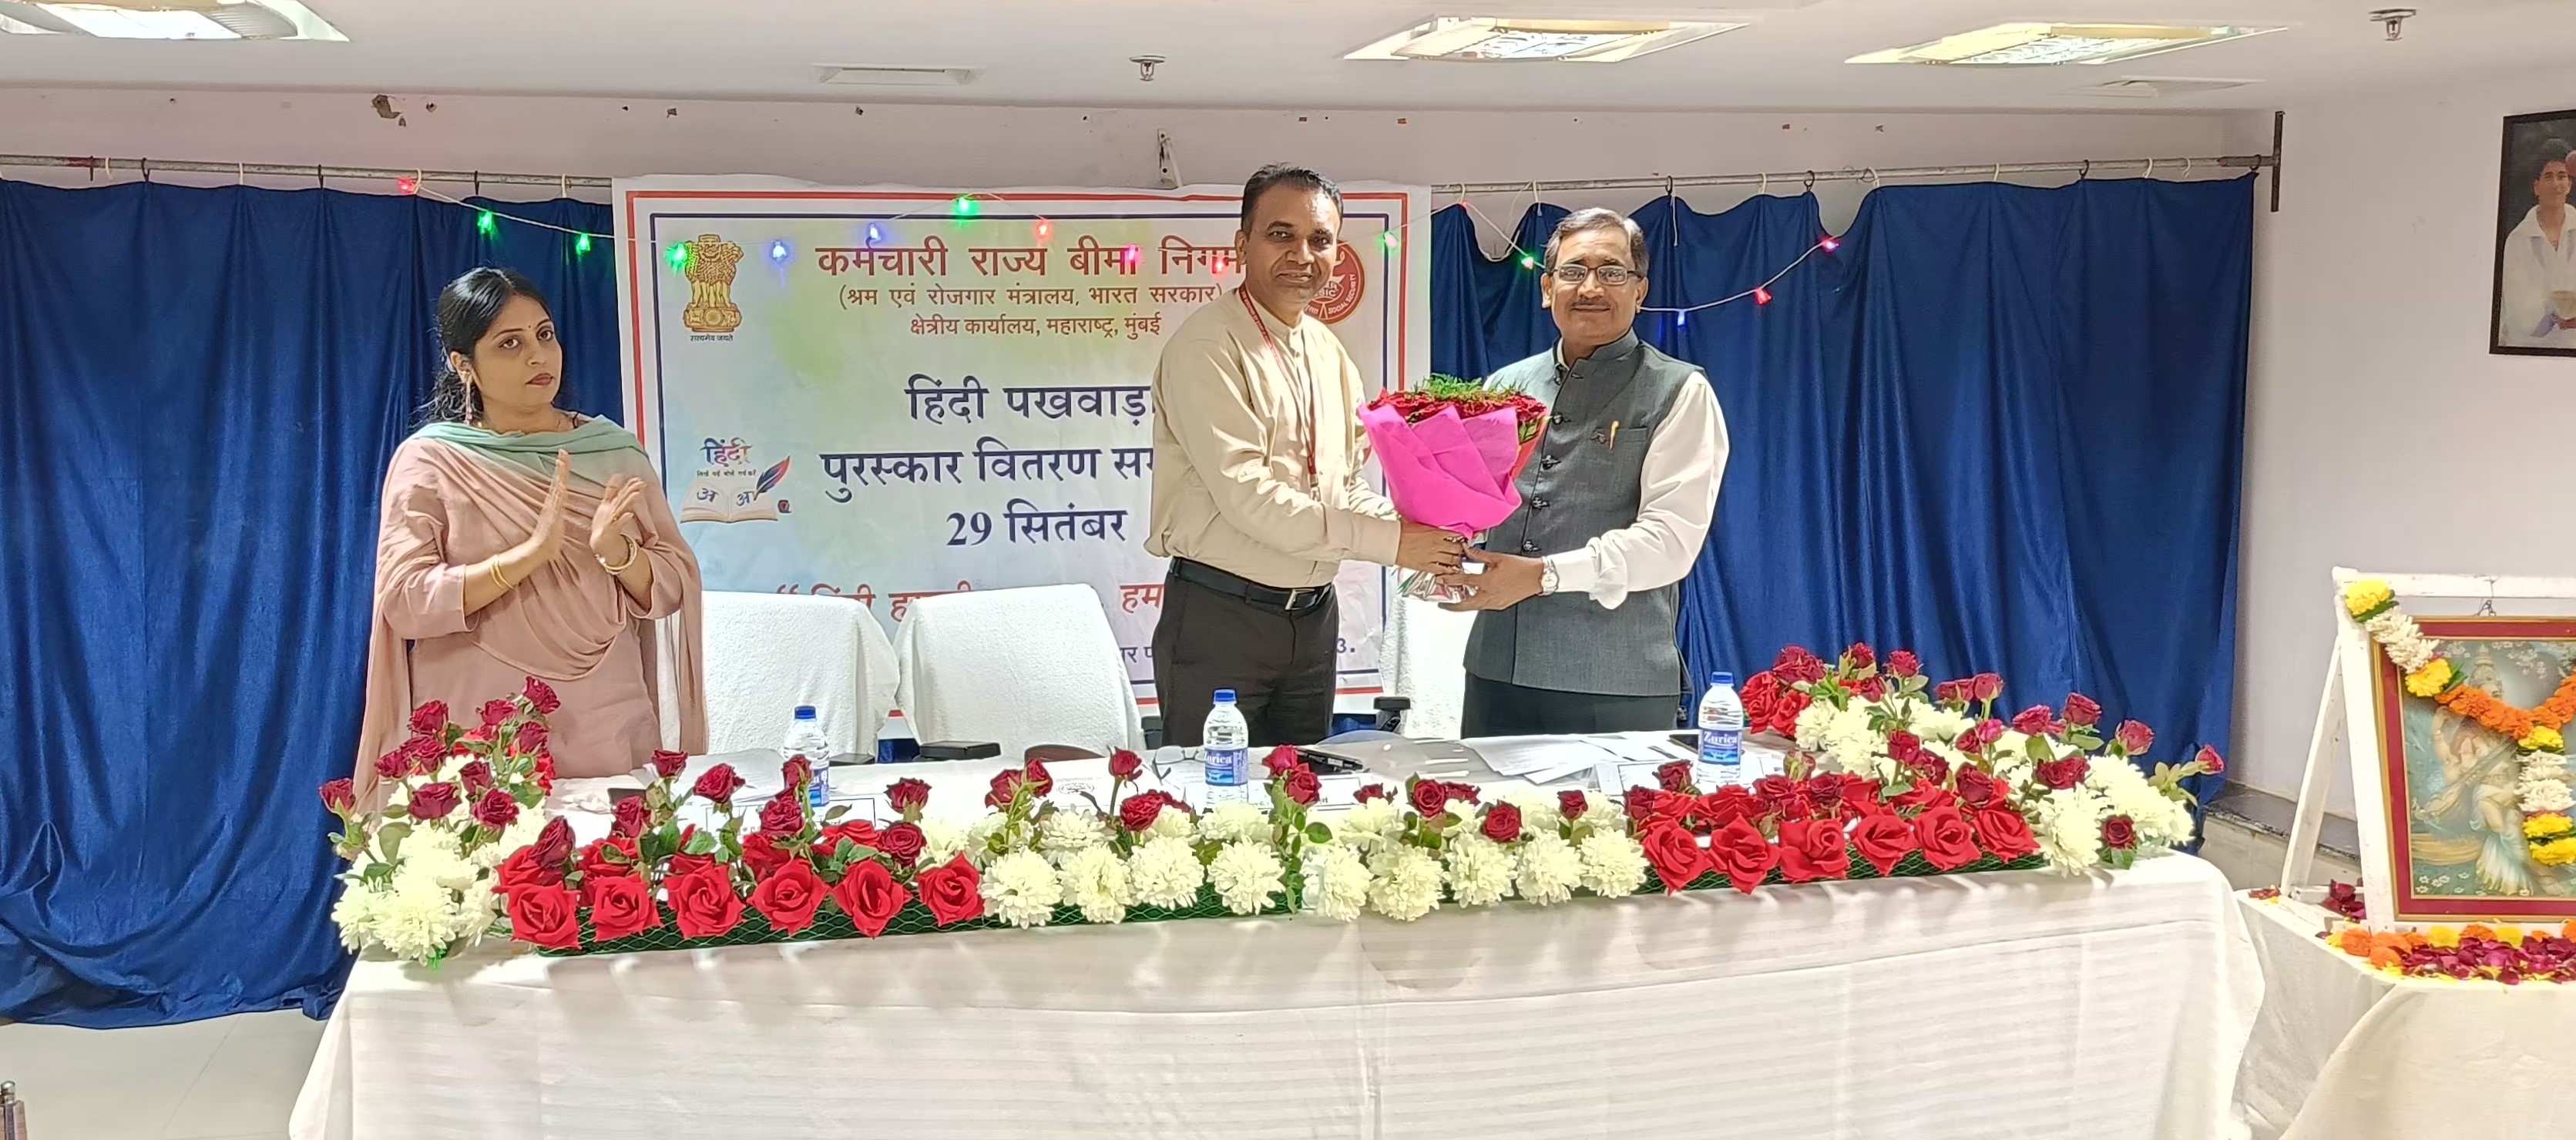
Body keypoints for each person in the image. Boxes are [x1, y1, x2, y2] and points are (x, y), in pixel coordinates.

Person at [1146, 164, 1466, 746]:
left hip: (1313, 620)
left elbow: (1344, 486)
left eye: (1319, 239)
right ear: (1242, 244)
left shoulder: (1326, 349)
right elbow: (1250, 499)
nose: (1302, 255)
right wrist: (1395, 543)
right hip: (1222, 617)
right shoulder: (1207, 346)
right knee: (1211, 794)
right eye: (1281, 235)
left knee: (1302, 791)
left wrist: (1430, 532)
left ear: (1337, 252)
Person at [355, 268, 706, 792]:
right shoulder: (432, 462)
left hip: (607, 722)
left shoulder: (612, 452)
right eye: (509, 344)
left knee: (617, 844)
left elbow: (674, 585)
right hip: (481, 729)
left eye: (545, 335)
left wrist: (619, 555)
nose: (538, 356)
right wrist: (527, 557)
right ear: (463, 364)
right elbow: (405, 601)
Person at [1444, 207, 1728, 736]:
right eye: (1573, 271)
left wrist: (1543, 575)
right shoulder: (1504, 387)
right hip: (1496, 670)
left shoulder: (1679, 391)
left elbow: (1670, 542)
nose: (1591, 288)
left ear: (1639, 291)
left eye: (1612, 272)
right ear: (1547, 288)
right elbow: (1472, 507)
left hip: (1615, 678)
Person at [2497, 139, 2576, 349]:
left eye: (2562, 176)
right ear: (2536, 187)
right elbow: (2519, 312)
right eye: (2548, 176)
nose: (2556, 184)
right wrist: (2554, 312)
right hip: (2528, 345)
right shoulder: (2518, 240)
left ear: (2569, 184)